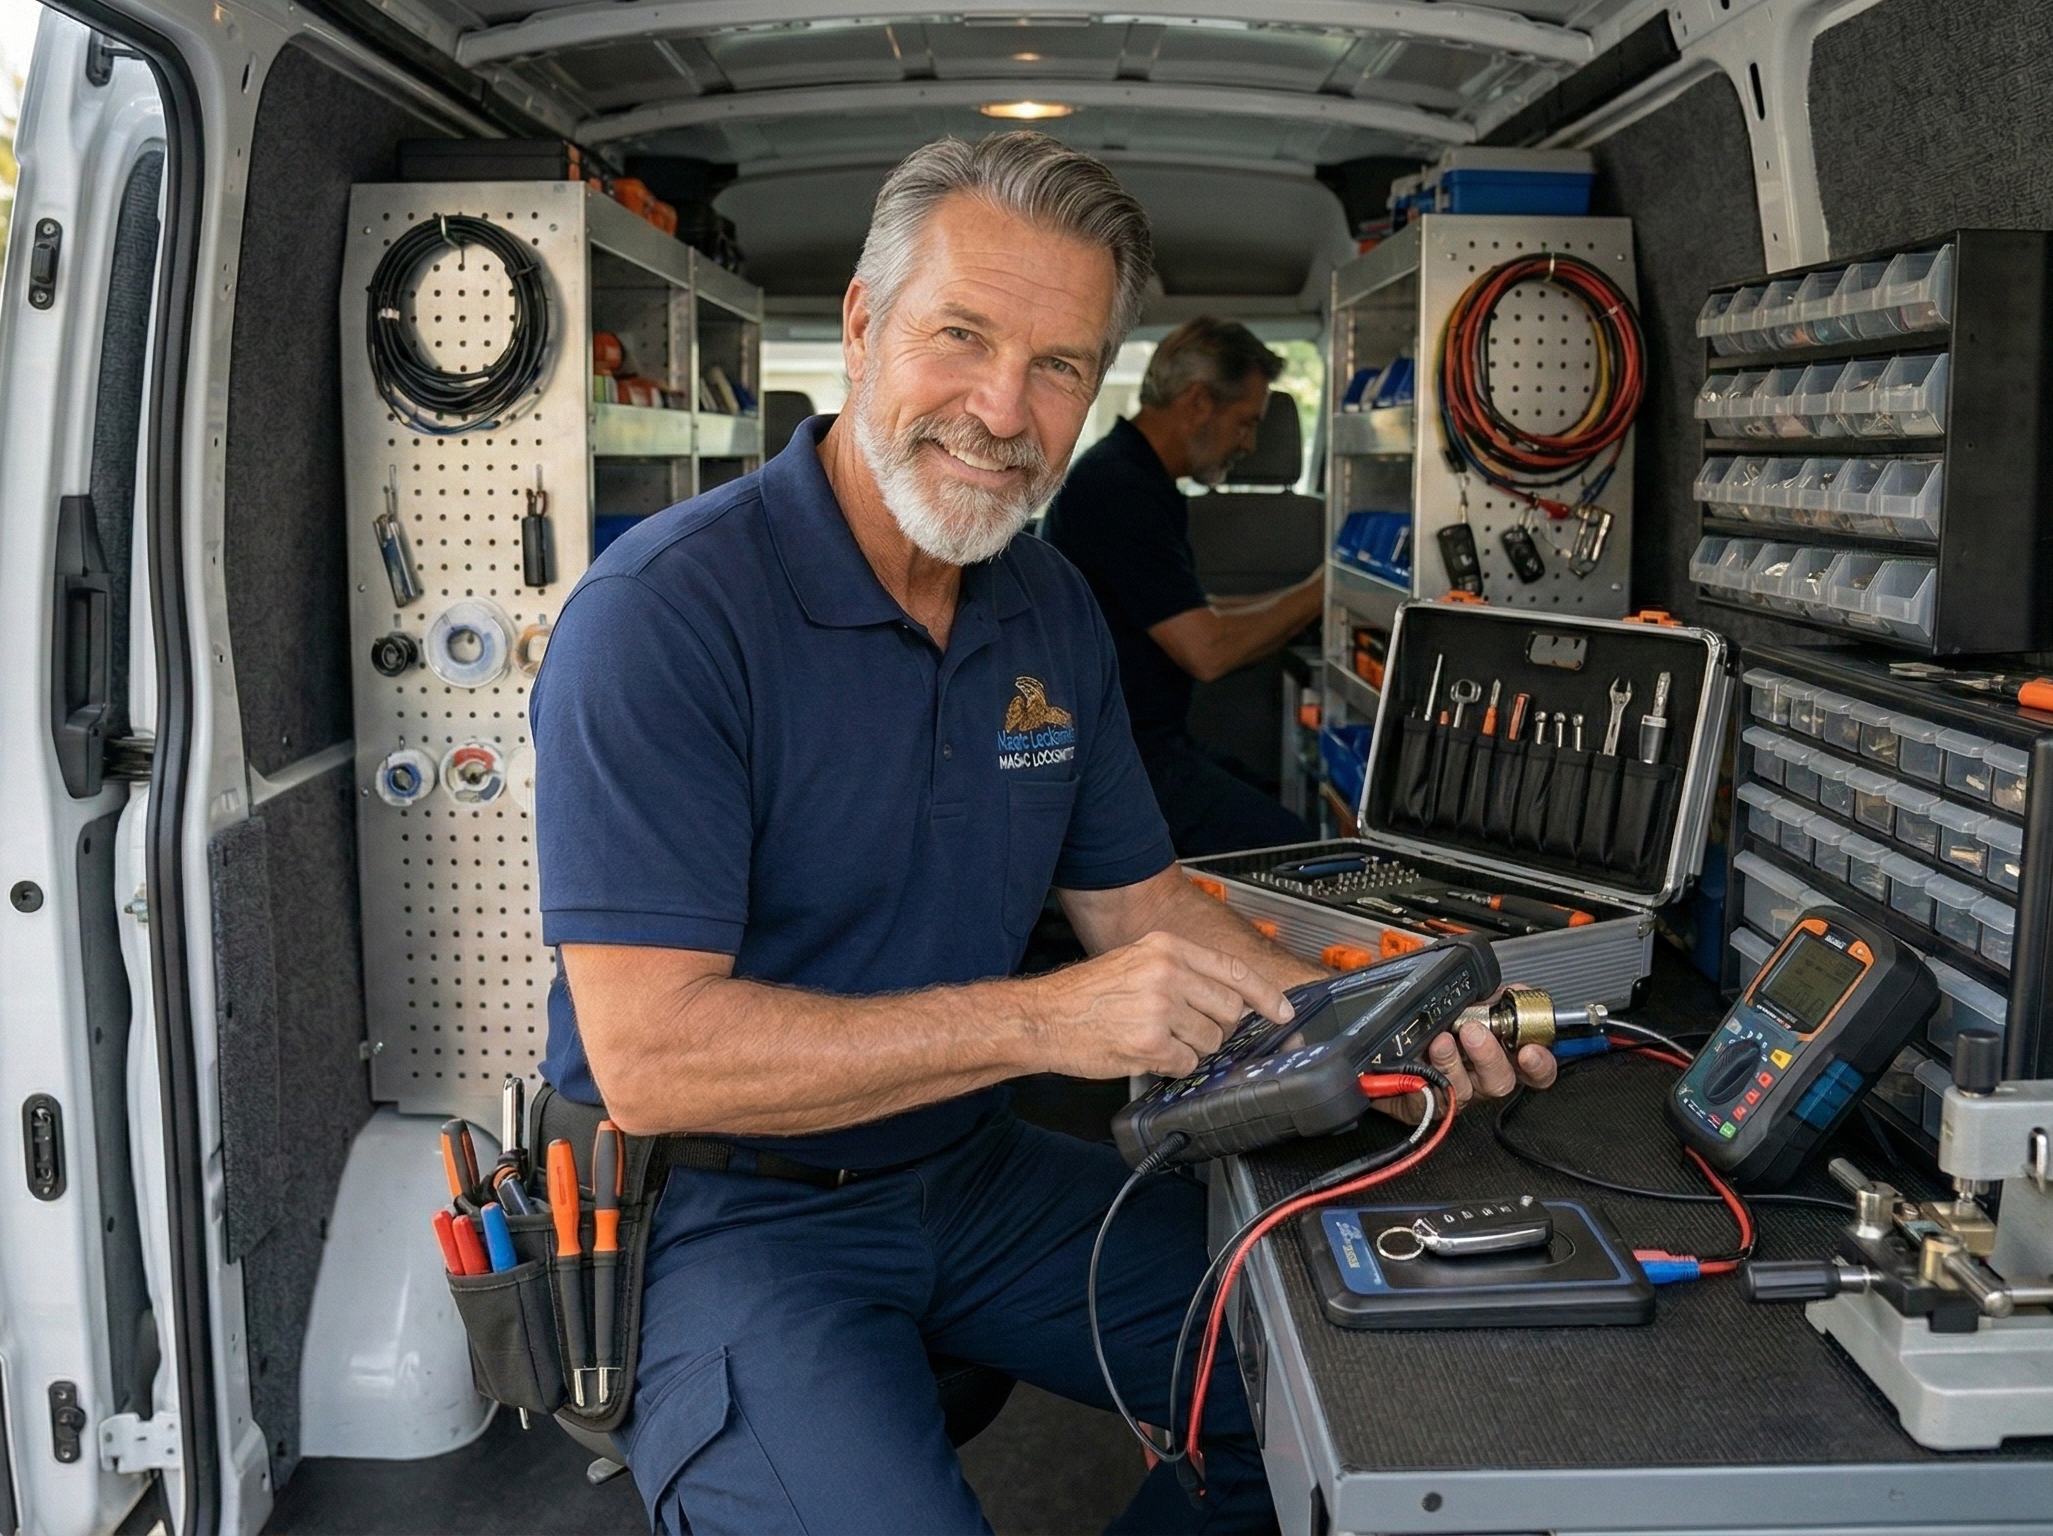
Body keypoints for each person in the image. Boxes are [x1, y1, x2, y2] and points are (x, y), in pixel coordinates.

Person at [530, 131, 1556, 1536]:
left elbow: (1141, 913)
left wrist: (1381, 1014)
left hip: (970, 1169)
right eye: (961, 336)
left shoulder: (1047, 604)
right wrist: (1047, 1025)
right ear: (860, 326)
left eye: (1060, 365)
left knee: (1354, 1394)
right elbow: (650, 1059)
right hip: (729, 1216)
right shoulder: (664, 619)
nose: (1002, 408)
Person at [1042, 317, 1324, 856]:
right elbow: (1207, 650)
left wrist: (1303, 606)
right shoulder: (1119, 489)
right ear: (1197, 403)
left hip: (1147, 744)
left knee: (1262, 792)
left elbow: (1191, 608)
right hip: (1122, 760)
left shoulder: (1136, 475)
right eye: (1245, 423)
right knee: (1300, 852)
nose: (1248, 443)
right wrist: (1318, 591)